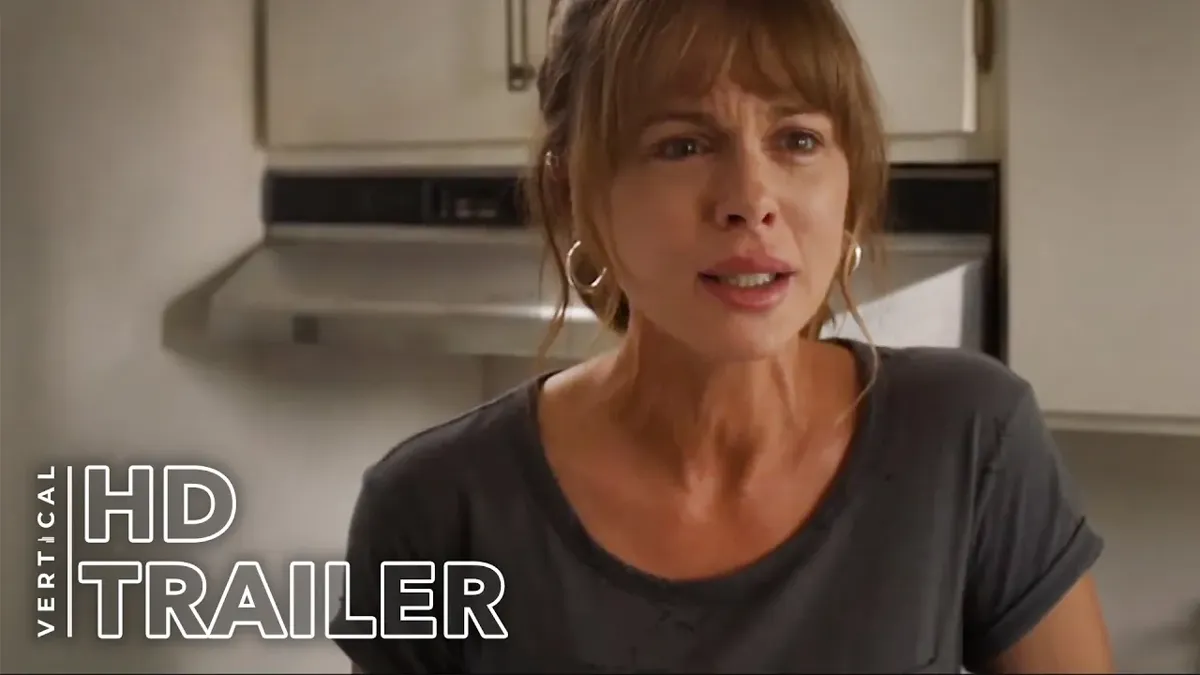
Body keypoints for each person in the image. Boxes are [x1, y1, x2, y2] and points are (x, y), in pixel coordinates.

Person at [331, 0, 1114, 672]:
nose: (750, 198)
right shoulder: (435, 509)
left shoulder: (968, 439)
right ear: (575, 192)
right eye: (683, 144)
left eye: (797, 139)